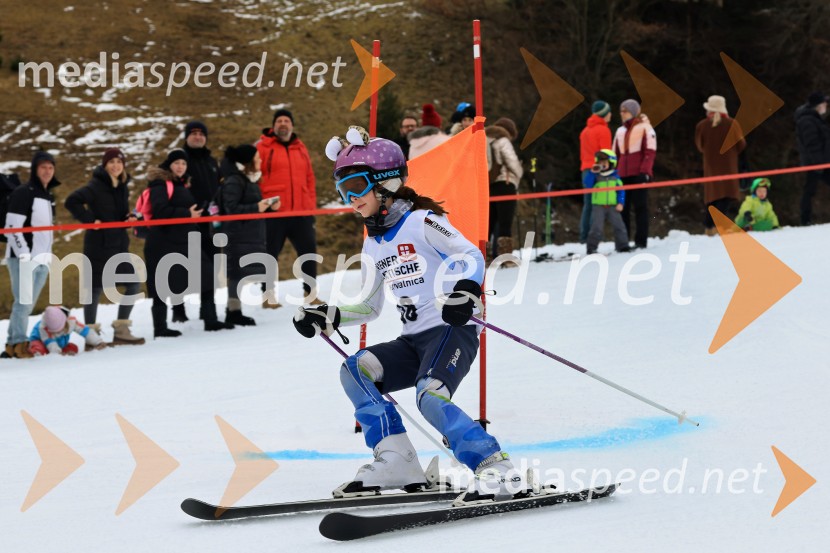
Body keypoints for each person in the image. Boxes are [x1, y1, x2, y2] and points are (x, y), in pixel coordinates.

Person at [292, 128, 525, 503]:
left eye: (355, 186)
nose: (350, 199)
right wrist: (328, 315)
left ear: (386, 183)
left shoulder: (421, 221)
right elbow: (369, 307)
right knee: (356, 370)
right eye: (342, 191)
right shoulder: (373, 241)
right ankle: (396, 457)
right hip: (413, 339)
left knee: (429, 396)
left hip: (452, 329)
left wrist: (466, 290)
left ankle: (495, 467)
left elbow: (469, 255)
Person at [143, 149, 233, 337]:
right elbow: (160, 211)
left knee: (207, 275)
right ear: (169, 165)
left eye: (183, 164)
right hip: (163, 242)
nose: (180, 167)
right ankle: (160, 328)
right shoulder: (160, 184)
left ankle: (211, 320)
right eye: (177, 163)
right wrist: (187, 214)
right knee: (161, 284)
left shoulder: (181, 184)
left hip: (184, 240)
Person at [65, 147, 144, 346]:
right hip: (98, 245)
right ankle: (91, 337)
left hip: (118, 244)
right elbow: (71, 201)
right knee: (94, 288)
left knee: (133, 283)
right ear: (105, 165)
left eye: (119, 162)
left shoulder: (122, 186)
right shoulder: (95, 185)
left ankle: (121, 331)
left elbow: (119, 213)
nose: (116, 166)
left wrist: (129, 217)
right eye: (111, 162)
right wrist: (90, 220)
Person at [256, 108, 320, 307]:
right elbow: (256, 178)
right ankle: (268, 296)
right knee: (270, 254)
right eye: (279, 121)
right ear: (273, 125)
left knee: (309, 250)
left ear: (292, 125)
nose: (283, 124)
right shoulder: (263, 147)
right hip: (274, 212)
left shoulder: (301, 148)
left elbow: (309, 179)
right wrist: (263, 204)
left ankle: (311, 294)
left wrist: (310, 209)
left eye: (286, 120)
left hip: (301, 212)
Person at [2, 151, 59, 359]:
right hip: (23, 258)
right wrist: (25, 255)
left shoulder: (48, 196)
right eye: (43, 167)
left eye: (51, 167)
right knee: (23, 302)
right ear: (35, 169)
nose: (47, 171)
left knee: (27, 304)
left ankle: (11, 345)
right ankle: (18, 343)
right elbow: (12, 226)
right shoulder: (23, 192)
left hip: (42, 259)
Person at [220, 144, 280, 326]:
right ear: (248, 162)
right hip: (238, 235)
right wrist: (258, 207)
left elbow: (251, 207)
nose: (260, 161)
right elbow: (231, 208)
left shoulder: (249, 180)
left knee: (241, 274)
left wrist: (268, 208)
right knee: (237, 274)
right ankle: (233, 311)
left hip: (250, 234)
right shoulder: (234, 181)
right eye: (257, 158)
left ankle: (235, 310)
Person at [179, 120, 221, 323]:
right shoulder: (180, 160)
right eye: (193, 133)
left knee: (211, 266)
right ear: (187, 137)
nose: (197, 136)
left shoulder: (212, 162)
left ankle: (208, 310)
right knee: (180, 267)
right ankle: (178, 310)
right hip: (187, 223)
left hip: (210, 223)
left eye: (201, 133)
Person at [694, 95, 746, 236]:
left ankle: (709, 225)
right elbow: (741, 145)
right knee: (726, 196)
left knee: (713, 196)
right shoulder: (732, 124)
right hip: (728, 166)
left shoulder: (702, 126)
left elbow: (700, 146)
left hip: (710, 167)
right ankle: (717, 225)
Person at [613, 99, 656, 249]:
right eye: (621, 111)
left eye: (624, 111)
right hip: (622, 175)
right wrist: (614, 173)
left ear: (632, 112)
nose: (621, 114)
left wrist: (645, 171)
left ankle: (641, 241)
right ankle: (623, 241)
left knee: (640, 207)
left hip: (638, 174)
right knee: (622, 208)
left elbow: (650, 151)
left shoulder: (645, 128)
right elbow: (615, 154)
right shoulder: (620, 131)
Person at [486, 117, 524, 265]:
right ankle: (506, 259)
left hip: (488, 185)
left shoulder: (483, 139)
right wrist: (519, 174)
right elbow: (512, 162)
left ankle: (485, 257)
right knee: (505, 222)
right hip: (505, 184)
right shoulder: (503, 140)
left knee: (488, 223)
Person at [579, 100, 613, 243]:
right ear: (605, 114)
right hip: (599, 171)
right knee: (597, 205)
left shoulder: (585, 131)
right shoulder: (603, 130)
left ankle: (584, 236)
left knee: (588, 204)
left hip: (586, 170)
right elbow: (605, 155)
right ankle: (594, 237)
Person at [794, 91, 830, 226]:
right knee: (809, 190)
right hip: (815, 163)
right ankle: (805, 220)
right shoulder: (807, 120)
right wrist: (819, 164)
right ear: (818, 105)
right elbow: (812, 144)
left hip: (822, 162)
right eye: (824, 103)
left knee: (809, 190)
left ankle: (805, 219)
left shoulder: (814, 118)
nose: (826, 105)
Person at [585, 150, 629, 255]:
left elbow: (621, 192)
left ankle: (623, 246)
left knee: (619, 226)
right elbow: (587, 184)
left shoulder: (615, 177)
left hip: (613, 206)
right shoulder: (596, 176)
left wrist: (621, 203)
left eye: (605, 163)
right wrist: (592, 172)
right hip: (598, 206)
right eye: (600, 163)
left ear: (611, 163)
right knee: (596, 227)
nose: (602, 165)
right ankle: (591, 247)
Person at [28, 305, 107, 356]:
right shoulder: (44, 328)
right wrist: (58, 353)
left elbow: (85, 331)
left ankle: (55, 352)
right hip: (40, 341)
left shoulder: (72, 321)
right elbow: (50, 343)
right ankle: (34, 352)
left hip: (60, 343)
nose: (58, 332)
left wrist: (98, 342)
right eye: (55, 331)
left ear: (65, 321)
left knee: (73, 348)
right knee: (39, 349)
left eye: (60, 329)